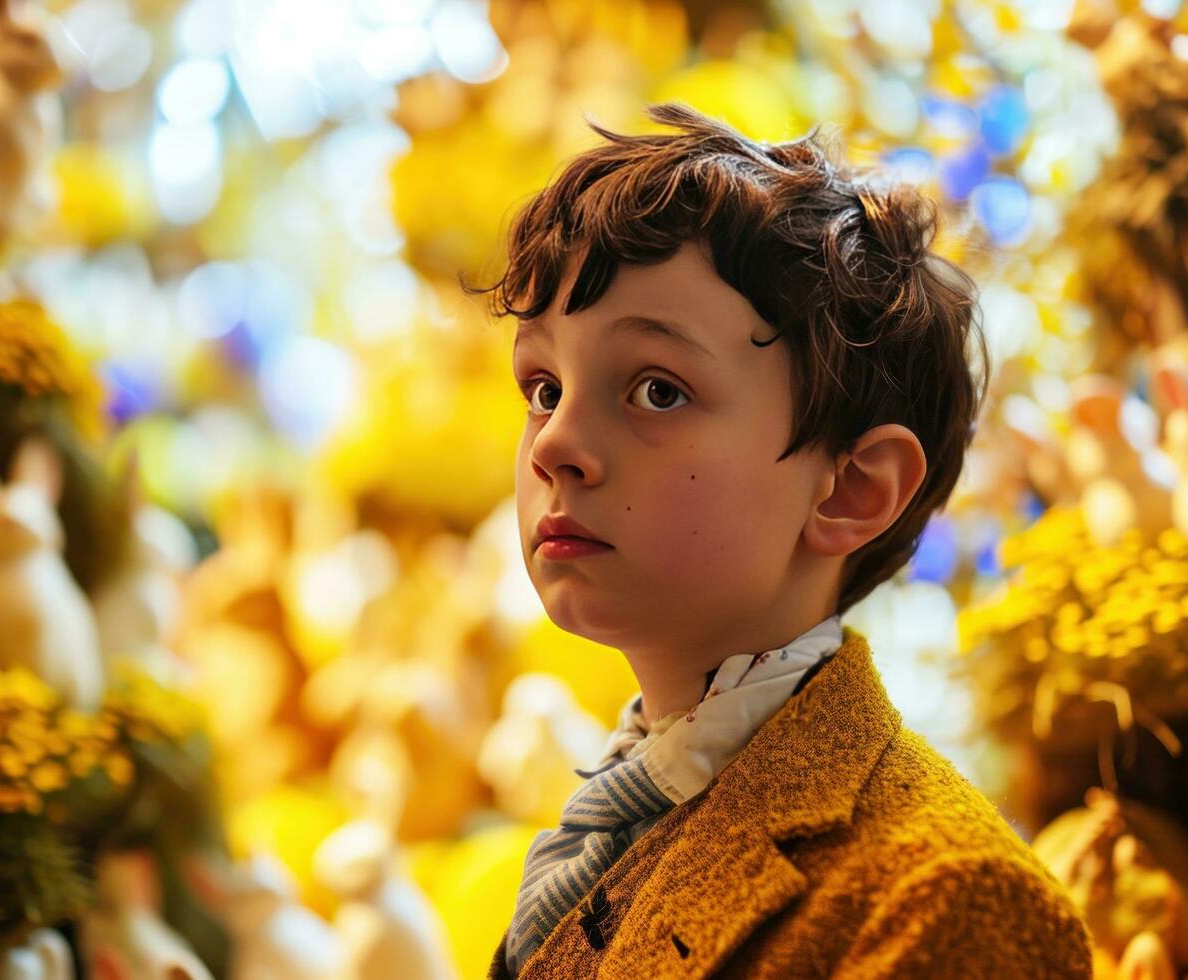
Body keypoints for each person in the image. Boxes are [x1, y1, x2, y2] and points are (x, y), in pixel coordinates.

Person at [464, 103, 1093, 978]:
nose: (557, 443)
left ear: (852, 489)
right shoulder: (623, 813)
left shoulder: (946, 899)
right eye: (542, 387)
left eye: (655, 390)